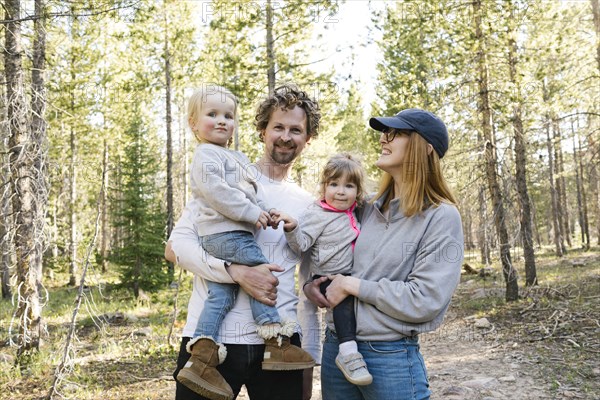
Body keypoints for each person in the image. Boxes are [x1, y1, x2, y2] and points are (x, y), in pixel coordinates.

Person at [165, 84, 322, 400]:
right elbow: (175, 248)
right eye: (278, 127)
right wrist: (234, 272)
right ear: (263, 130)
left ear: (308, 138)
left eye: (296, 130)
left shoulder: (310, 205)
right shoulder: (226, 179)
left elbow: (308, 287)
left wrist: (310, 359)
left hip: (280, 345)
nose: (286, 136)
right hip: (213, 345)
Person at [305, 108, 464, 400]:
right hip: (337, 348)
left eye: (395, 133)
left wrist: (352, 285)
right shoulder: (364, 209)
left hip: (389, 356)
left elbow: (426, 299)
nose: (383, 139)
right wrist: (313, 286)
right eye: (384, 132)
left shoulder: (441, 216)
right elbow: (326, 251)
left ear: (425, 148)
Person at [271, 153, 372, 386]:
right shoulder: (318, 214)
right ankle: (348, 353)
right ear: (324, 187)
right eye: (334, 184)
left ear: (358, 191)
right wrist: (293, 227)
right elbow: (302, 243)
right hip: (327, 276)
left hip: (349, 275)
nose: (340, 191)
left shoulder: (356, 210)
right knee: (343, 304)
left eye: (349, 186)